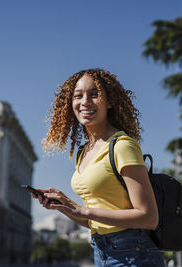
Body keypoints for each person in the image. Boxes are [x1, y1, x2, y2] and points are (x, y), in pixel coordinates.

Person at [36, 68, 165, 266]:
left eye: (94, 95)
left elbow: (148, 218)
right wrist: (65, 206)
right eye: (78, 96)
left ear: (110, 101)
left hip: (133, 252)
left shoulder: (122, 146)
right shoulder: (82, 153)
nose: (85, 102)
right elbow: (93, 220)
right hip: (101, 251)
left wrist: (84, 211)